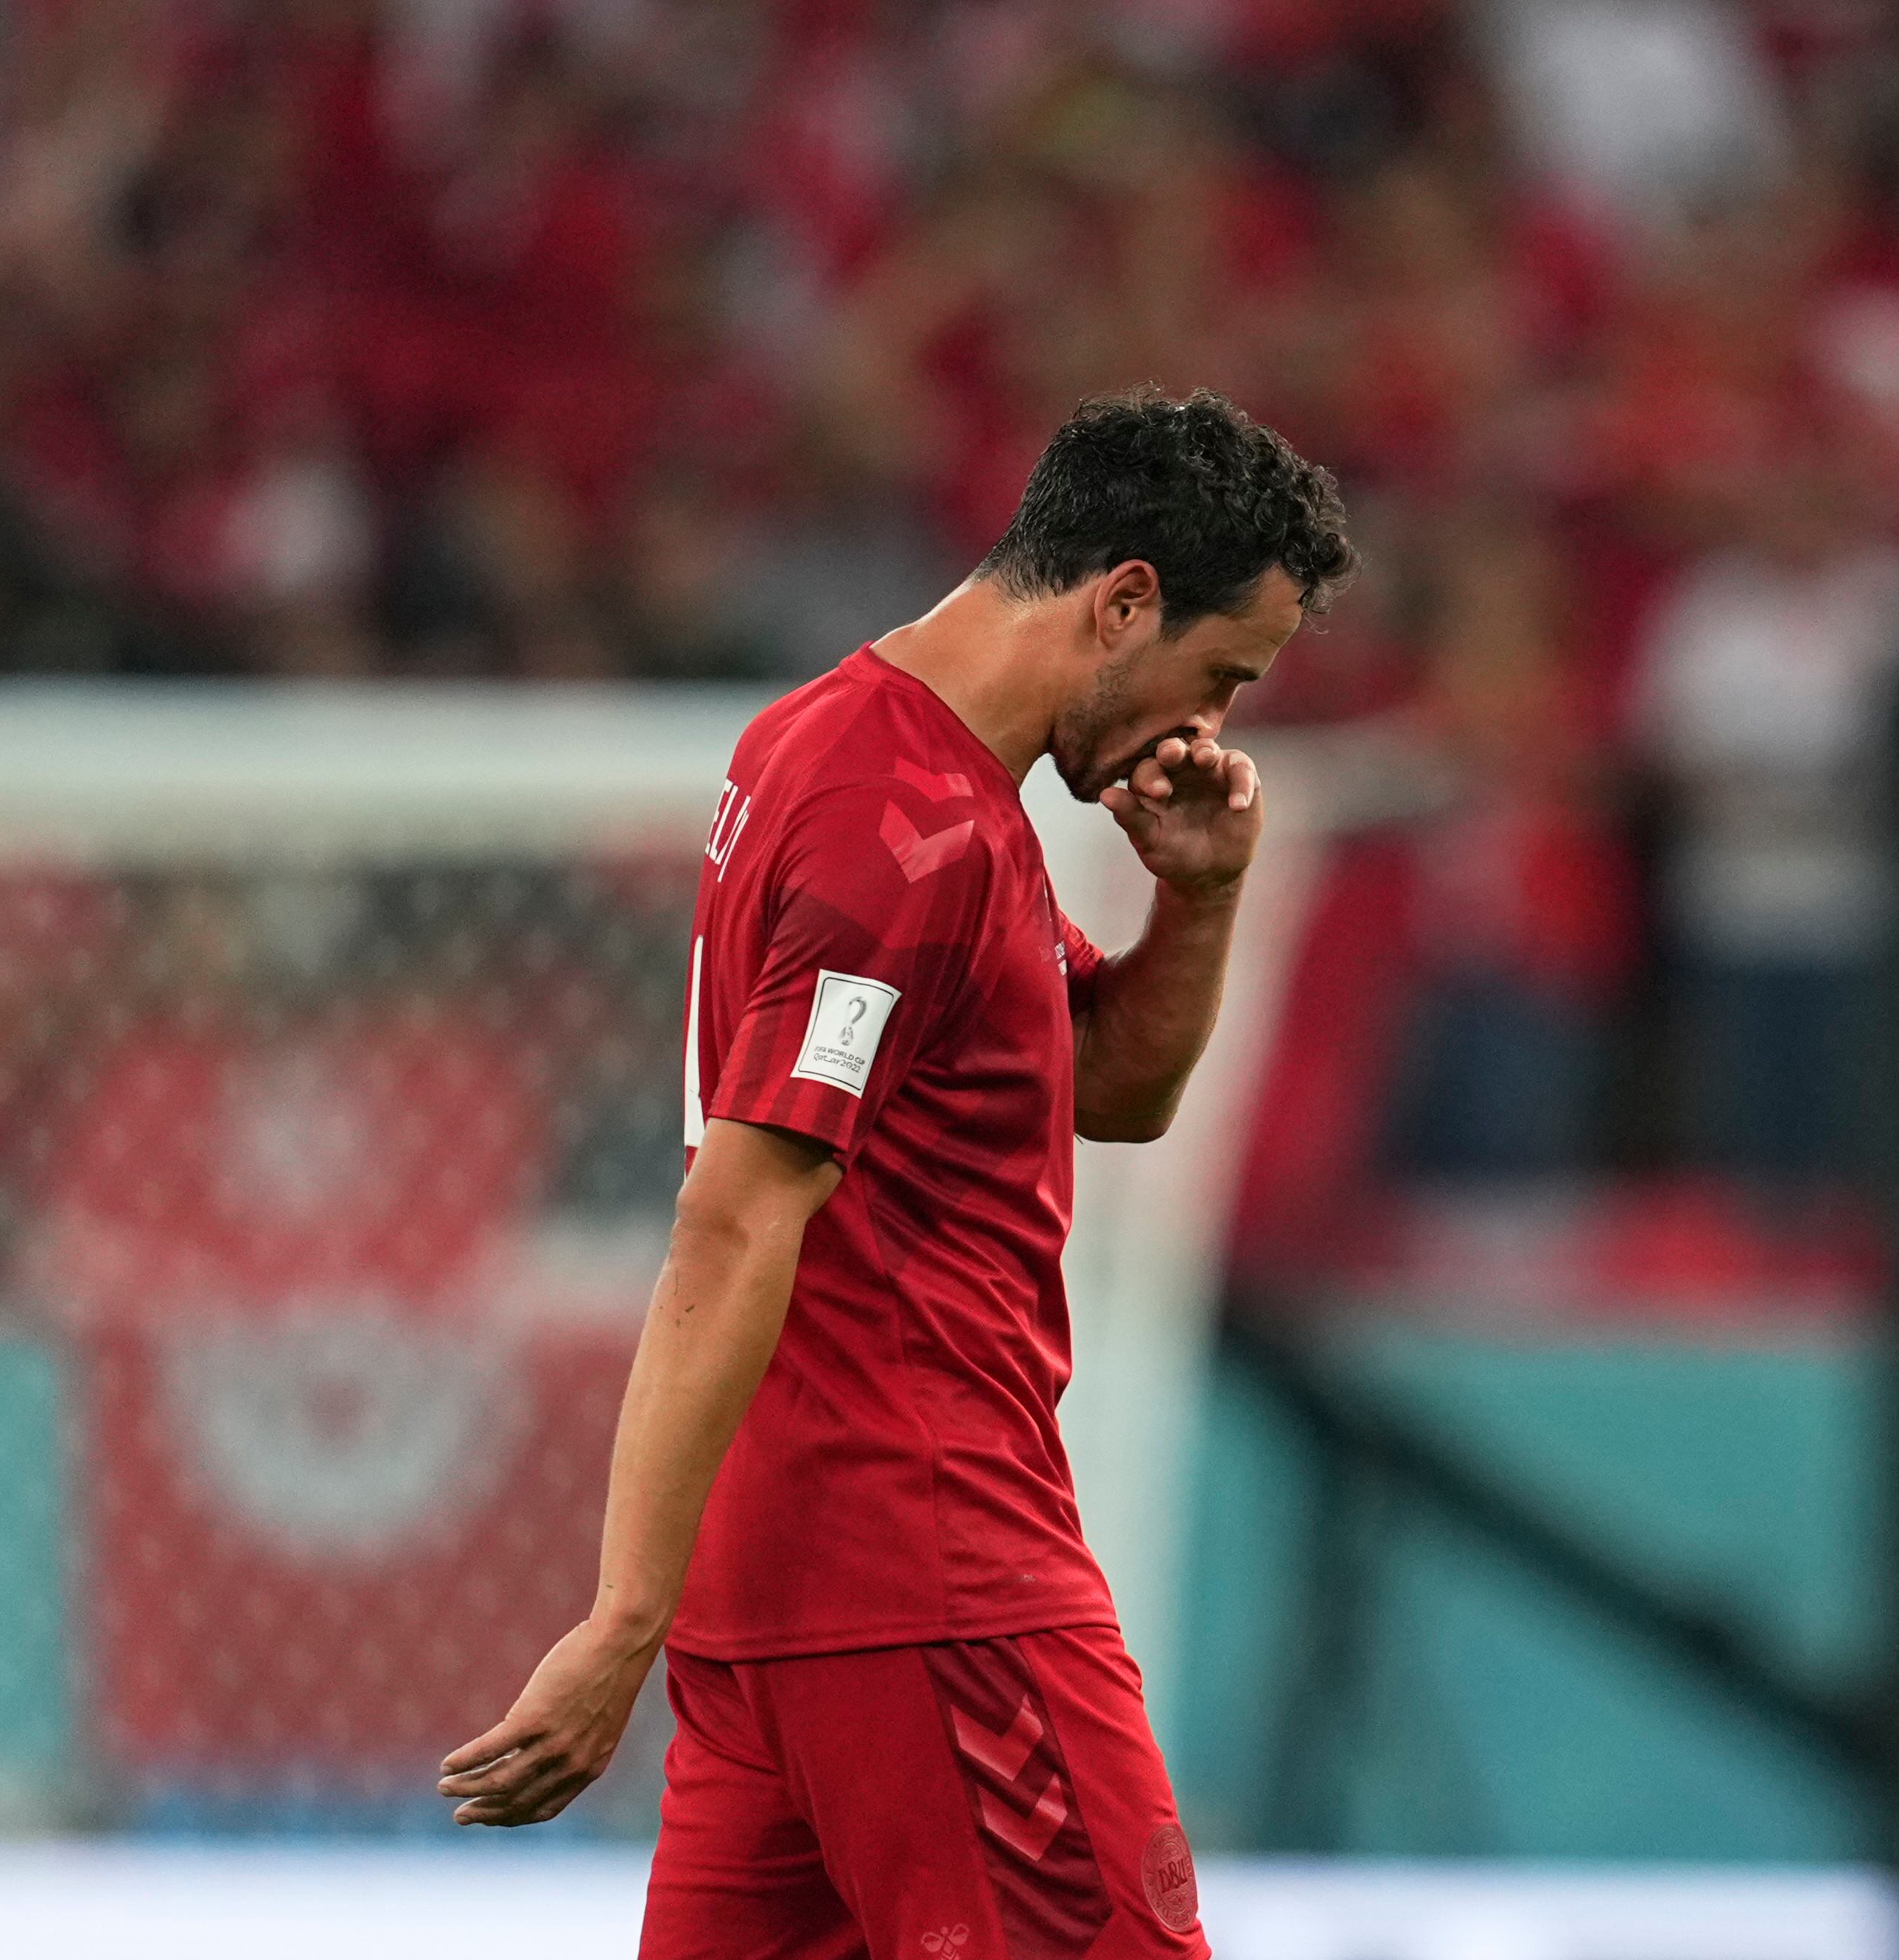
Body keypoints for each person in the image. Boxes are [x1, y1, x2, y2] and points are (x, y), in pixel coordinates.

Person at [438, 388, 1354, 1959]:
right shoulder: (906, 833)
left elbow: (1111, 1094)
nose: (1208, 726)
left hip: (786, 1609)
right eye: (1219, 673)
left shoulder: (843, 757)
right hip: (932, 1583)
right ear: (1123, 597)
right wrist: (618, 1620)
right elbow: (734, 1217)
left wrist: (1195, 904)